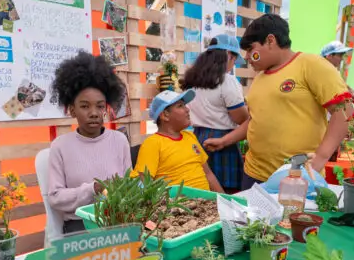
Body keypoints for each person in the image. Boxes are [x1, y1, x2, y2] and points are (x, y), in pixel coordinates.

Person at [229, 14, 354, 189]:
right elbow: (254, 120)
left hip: (297, 178)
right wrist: (224, 141)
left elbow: (345, 112)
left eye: (251, 49)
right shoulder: (259, 78)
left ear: (270, 41)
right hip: (253, 176)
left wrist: (317, 162)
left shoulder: (310, 64)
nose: (248, 57)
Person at [47, 52, 131, 234]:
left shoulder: (119, 140)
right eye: (85, 106)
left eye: (100, 106)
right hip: (79, 226)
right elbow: (55, 197)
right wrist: (93, 189)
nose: (94, 113)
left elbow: (127, 187)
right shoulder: (60, 146)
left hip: (118, 221)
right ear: (72, 110)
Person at [180, 34, 249, 192]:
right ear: (229, 55)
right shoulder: (227, 81)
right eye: (234, 60)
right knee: (227, 194)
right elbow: (241, 119)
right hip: (223, 142)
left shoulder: (192, 80)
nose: (232, 65)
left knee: (203, 189)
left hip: (198, 138)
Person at [135, 89, 223, 193]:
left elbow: (208, 174)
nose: (187, 110)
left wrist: (226, 200)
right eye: (180, 106)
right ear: (165, 115)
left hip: (207, 203)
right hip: (178, 206)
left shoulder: (190, 136)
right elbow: (144, 185)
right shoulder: (152, 143)